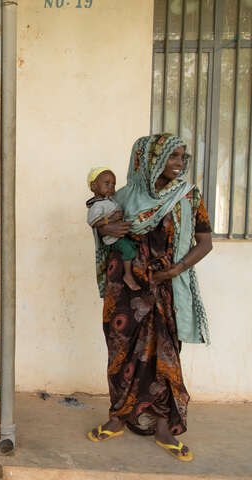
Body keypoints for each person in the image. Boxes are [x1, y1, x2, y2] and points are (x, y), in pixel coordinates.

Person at [87, 134, 212, 463]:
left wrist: (176, 270)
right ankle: (117, 416)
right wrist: (104, 230)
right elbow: (104, 228)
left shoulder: (188, 196)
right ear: (149, 158)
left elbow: (204, 242)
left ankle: (163, 426)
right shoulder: (124, 196)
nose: (179, 163)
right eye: (173, 156)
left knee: (164, 355)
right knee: (120, 350)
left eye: (182, 157)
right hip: (124, 291)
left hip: (164, 289)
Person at [86, 167, 140, 291]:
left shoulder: (109, 200)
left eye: (113, 184)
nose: (111, 187)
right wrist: (111, 219)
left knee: (133, 246)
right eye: (107, 183)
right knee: (129, 250)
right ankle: (128, 275)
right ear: (93, 186)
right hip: (112, 238)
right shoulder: (96, 206)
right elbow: (94, 222)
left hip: (119, 235)